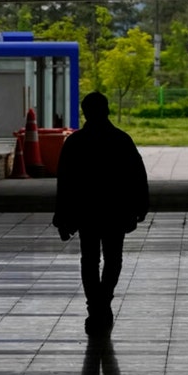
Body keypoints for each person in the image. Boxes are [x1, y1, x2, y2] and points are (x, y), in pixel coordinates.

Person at [53, 92, 149, 335]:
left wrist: (62, 216)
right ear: (106, 110)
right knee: (113, 259)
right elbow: (137, 176)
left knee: (89, 259)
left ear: (85, 112)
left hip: (87, 212)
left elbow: (65, 183)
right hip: (115, 211)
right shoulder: (121, 140)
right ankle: (103, 302)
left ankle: (95, 305)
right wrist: (140, 206)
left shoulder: (75, 143)